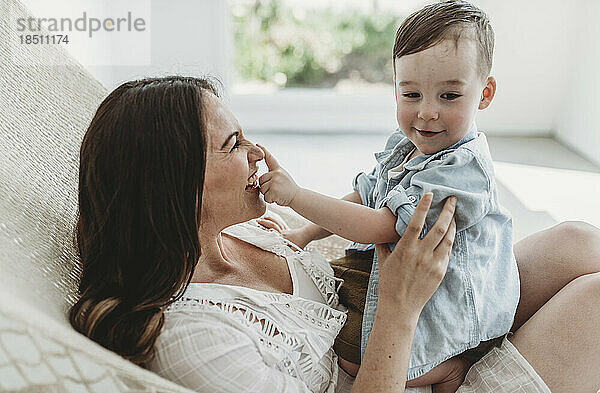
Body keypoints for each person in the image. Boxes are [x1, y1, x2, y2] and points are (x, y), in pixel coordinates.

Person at [68, 75, 600, 393]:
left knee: (577, 240)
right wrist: (400, 306)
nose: (257, 153)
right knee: (594, 302)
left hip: (420, 334)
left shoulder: (244, 235)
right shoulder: (191, 337)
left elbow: (327, 231)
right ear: (174, 185)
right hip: (396, 364)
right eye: (232, 144)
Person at [257, 0, 514, 390]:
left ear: (485, 93)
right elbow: (365, 193)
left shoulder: (463, 170)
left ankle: (450, 368)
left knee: (354, 358)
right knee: (325, 299)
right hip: (393, 272)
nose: (427, 113)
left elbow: (378, 227)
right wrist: (304, 234)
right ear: (396, 88)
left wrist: (296, 196)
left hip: (447, 302)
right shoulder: (407, 144)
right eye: (411, 95)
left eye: (449, 97)